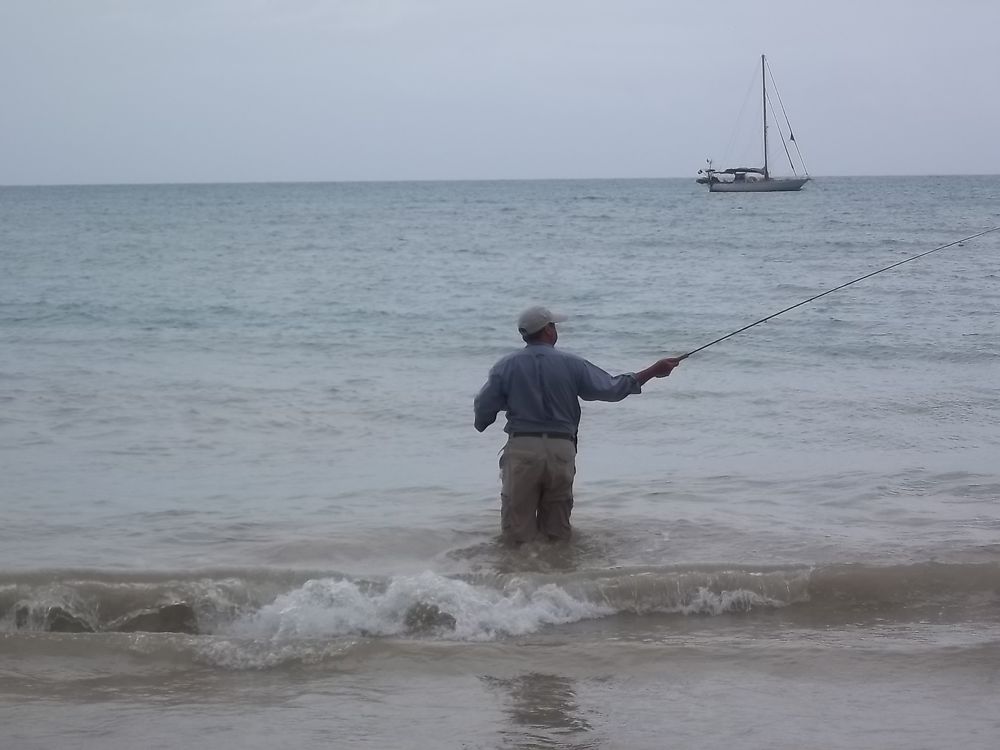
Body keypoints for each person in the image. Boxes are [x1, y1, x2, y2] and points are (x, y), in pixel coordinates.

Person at [474, 305, 680, 544]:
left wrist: (483, 422)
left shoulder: (504, 366)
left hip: (522, 449)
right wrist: (654, 370)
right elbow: (612, 389)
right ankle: (561, 577)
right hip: (562, 450)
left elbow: (483, 406)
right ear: (548, 331)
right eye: (553, 325)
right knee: (558, 530)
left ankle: (520, 578)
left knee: (516, 532)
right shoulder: (572, 363)